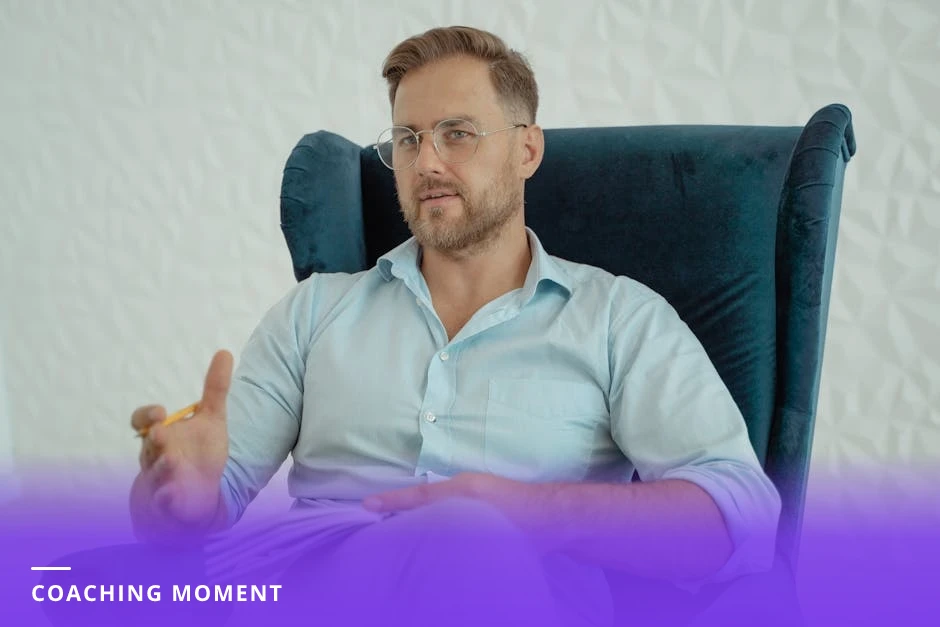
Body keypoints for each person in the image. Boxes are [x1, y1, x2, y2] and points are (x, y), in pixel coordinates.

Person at [129, 26, 783, 627]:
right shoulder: (314, 312)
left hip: (515, 600)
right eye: (408, 139)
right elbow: (195, 509)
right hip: (320, 594)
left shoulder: (619, 319)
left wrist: (536, 511)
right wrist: (172, 496)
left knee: (468, 536)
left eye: (458, 134)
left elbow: (739, 515)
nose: (427, 163)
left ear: (527, 149)